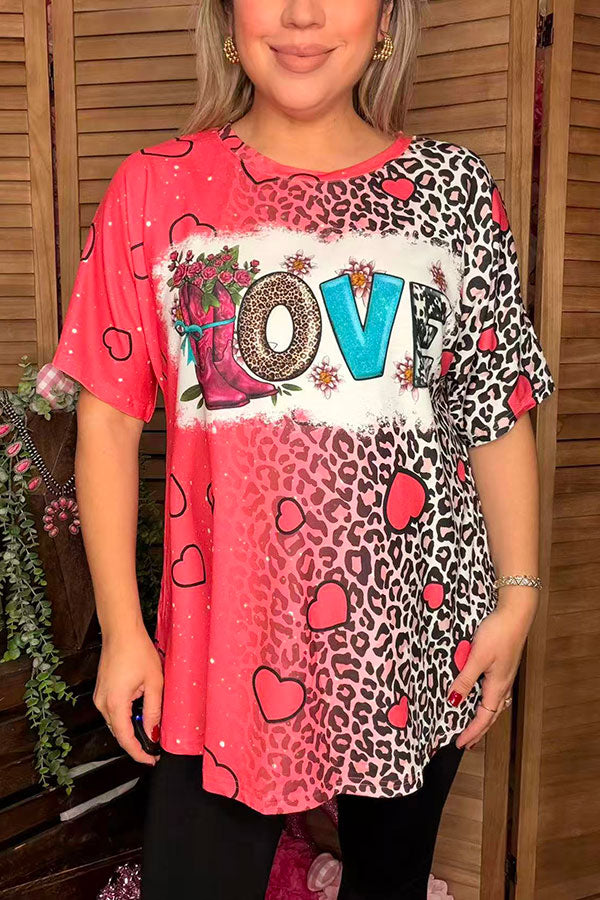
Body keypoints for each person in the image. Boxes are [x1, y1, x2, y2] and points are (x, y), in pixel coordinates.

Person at [50, 0, 557, 897]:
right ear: (226, 13)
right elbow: (110, 418)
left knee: (388, 884)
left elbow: (495, 406)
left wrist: (516, 600)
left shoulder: (453, 191)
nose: (302, 15)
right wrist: (125, 630)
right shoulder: (157, 189)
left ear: (388, 15)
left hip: (413, 635)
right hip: (222, 643)